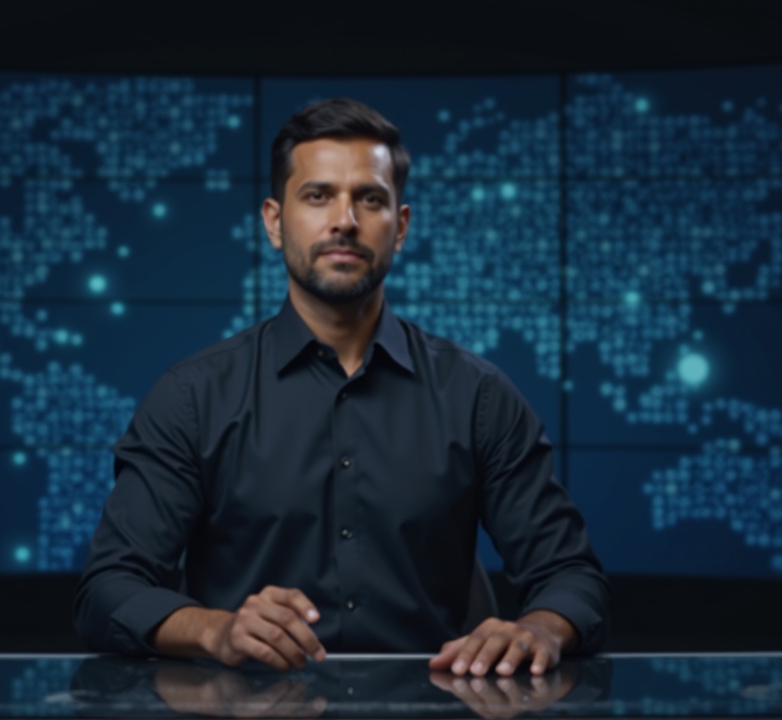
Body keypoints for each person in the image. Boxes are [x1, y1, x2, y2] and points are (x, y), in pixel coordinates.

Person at [74, 97, 610, 678]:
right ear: (275, 221)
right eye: (318, 195)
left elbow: (571, 577)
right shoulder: (192, 397)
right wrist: (216, 630)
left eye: (370, 198)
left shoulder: (478, 396)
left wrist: (538, 629)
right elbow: (109, 589)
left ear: (400, 227)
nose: (345, 220)